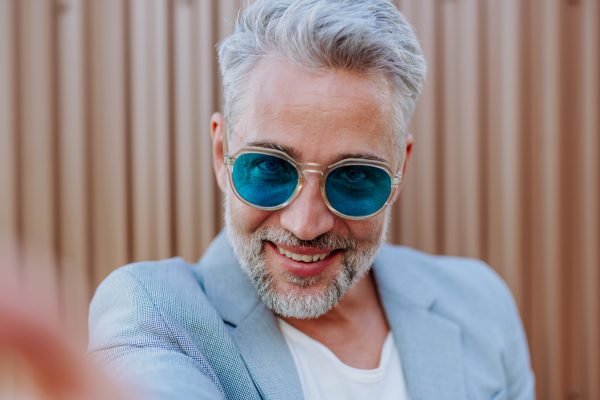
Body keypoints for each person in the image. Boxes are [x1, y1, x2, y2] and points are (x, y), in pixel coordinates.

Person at [88, 0, 535, 399]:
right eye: (270, 167)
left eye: (354, 176)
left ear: (400, 173)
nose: (306, 225)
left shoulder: (481, 303)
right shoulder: (150, 311)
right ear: (222, 155)